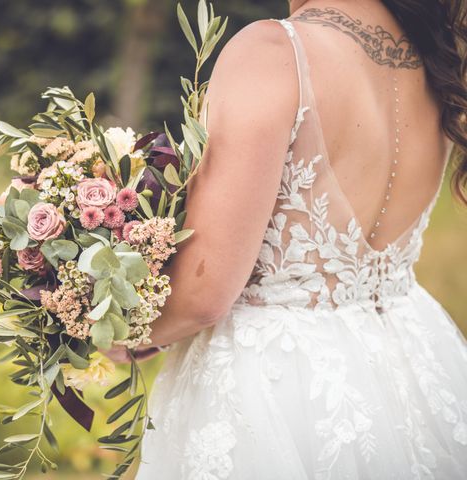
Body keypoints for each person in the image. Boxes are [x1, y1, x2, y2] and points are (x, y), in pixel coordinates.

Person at [106, 0, 467, 478]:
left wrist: (109, 329)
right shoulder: (434, 62)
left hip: (276, 384)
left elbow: (205, 293)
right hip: (410, 361)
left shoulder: (273, 52)